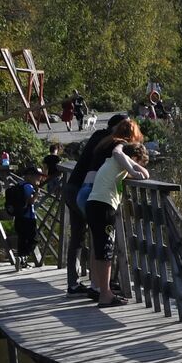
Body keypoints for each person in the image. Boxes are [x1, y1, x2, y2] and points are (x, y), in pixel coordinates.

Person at [64, 114, 131, 294]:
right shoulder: (112, 141)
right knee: (100, 236)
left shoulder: (97, 136)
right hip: (85, 190)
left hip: (73, 187)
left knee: (78, 237)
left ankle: (75, 282)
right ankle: (100, 284)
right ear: (119, 126)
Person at [86, 140, 151, 307]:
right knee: (106, 251)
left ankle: (104, 291)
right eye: (139, 160)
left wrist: (129, 163)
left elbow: (143, 172)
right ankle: (105, 295)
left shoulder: (113, 162)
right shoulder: (119, 159)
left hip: (94, 204)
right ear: (134, 157)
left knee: (101, 250)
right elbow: (144, 174)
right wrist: (132, 166)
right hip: (103, 206)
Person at [5, 165, 44, 261]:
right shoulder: (28, 186)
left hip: (19, 217)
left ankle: (21, 259)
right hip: (29, 218)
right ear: (30, 176)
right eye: (37, 175)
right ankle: (24, 257)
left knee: (22, 240)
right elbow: (31, 201)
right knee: (34, 239)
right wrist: (37, 193)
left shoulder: (19, 185)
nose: (40, 178)